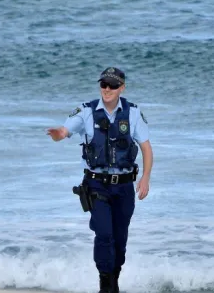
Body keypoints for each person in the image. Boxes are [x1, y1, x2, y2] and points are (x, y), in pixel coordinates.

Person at [46, 67, 153, 293]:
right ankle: (105, 285)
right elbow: (65, 131)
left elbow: (146, 147)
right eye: (103, 84)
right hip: (96, 184)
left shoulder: (133, 113)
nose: (107, 89)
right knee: (104, 234)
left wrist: (145, 178)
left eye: (113, 85)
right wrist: (58, 134)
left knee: (120, 239)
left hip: (124, 186)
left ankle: (114, 282)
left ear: (121, 88)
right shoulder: (86, 111)